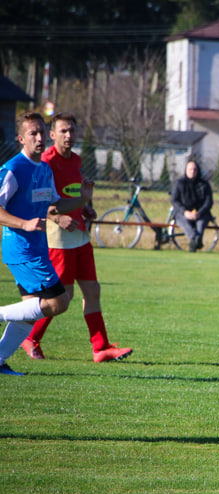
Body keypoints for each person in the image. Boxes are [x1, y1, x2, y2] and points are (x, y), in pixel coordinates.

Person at [18, 113, 132, 363]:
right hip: (58, 238)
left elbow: (71, 196)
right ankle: (31, 338)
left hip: (79, 235)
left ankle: (100, 348)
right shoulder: (45, 162)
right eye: (63, 131)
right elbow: (38, 202)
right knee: (62, 297)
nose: (69, 136)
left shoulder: (76, 160)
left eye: (72, 130)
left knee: (92, 290)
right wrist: (57, 218)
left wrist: (84, 209)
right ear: (52, 134)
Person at [0, 112, 94, 375]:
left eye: (42, 132)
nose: (40, 137)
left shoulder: (43, 169)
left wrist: (82, 200)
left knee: (30, 312)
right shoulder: (13, 169)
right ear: (21, 138)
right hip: (22, 250)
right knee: (59, 302)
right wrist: (24, 223)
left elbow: (54, 204)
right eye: (33, 133)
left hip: (36, 250)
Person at [170, 159, 214, 253]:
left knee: (201, 223)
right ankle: (195, 239)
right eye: (190, 169)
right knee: (183, 222)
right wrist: (185, 212)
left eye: (194, 169)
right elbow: (174, 200)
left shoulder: (204, 184)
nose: (192, 171)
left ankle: (194, 243)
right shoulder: (179, 183)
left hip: (201, 213)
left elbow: (209, 202)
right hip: (183, 213)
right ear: (186, 170)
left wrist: (199, 213)